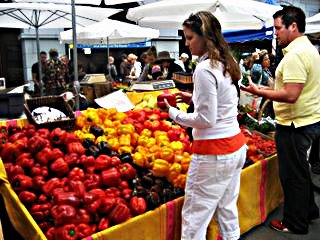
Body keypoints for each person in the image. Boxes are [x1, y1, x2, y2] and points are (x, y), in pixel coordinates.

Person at [164, 11, 247, 240]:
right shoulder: (224, 62)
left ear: (205, 37)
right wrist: (193, 99)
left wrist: (173, 113)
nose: (186, 43)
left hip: (214, 152)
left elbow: (206, 120)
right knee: (227, 208)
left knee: (194, 218)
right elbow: (223, 103)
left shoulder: (203, 68)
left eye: (190, 38)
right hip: (236, 146)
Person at [242, 6, 320, 234]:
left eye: (278, 28)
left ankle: (295, 224)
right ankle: (310, 210)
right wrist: (266, 88)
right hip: (308, 120)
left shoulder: (296, 55)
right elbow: (291, 88)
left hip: (295, 124)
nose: (275, 33)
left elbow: (291, 94)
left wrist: (260, 92)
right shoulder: (309, 49)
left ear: (293, 26)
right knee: (301, 170)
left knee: (293, 176)